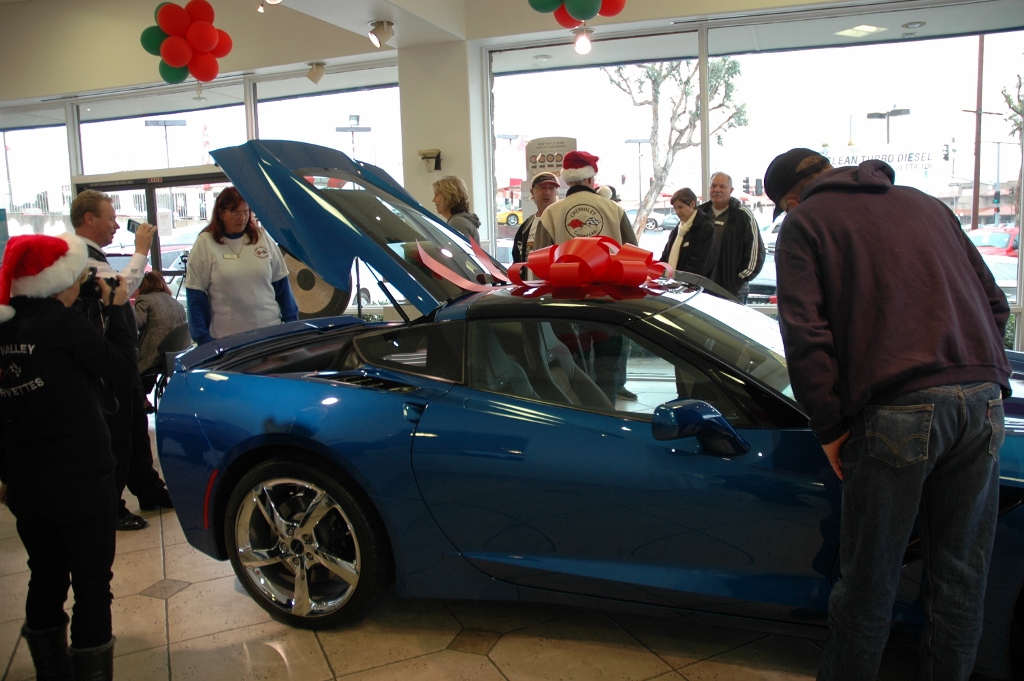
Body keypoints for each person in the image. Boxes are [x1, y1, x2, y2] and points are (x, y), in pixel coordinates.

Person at [764, 148, 1011, 681]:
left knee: (869, 582)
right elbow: (996, 303)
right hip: (984, 400)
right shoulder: (926, 205)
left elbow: (806, 334)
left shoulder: (806, 221)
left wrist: (829, 426)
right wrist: (982, 374)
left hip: (899, 409)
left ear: (789, 198)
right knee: (962, 573)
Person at [0, 233, 135, 681]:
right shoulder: (64, 325)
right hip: (82, 475)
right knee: (92, 585)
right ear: (57, 283)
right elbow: (118, 367)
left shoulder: (6, 327)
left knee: (45, 576)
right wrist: (116, 309)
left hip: (24, 480)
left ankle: (50, 672)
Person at [72, 190, 172, 531]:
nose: (117, 225)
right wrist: (141, 250)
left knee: (134, 431)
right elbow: (119, 288)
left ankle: (149, 489)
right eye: (110, 218)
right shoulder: (78, 257)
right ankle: (110, 505)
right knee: (116, 435)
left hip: (121, 358)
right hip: (106, 361)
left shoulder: (92, 254)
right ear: (89, 219)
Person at [184, 187, 299, 345]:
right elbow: (195, 297)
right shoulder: (205, 243)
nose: (242, 218)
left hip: (269, 331)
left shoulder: (261, 237)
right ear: (221, 213)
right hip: (227, 338)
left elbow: (282, 286)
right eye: (235, 213)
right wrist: (203, 339)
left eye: (246, 212)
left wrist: (291, 324)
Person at [533, 151, 638, 250]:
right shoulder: (615, 209)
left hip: (567, 270)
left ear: (568, 181)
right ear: (589, 179)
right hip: (609, 269)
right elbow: (633, 252)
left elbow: (541, 259)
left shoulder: (550, 213)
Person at [698, 172, 764, 300]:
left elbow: (756, 254)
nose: (717, 190)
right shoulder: (699, 213)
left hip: (733, 291)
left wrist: (738, 280)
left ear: (731, 190)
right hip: (702, 291)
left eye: (722, 186)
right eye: (713, 186)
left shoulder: (743, 216)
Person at [135, 271, 187, 403]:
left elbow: (136, 323)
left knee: (127, 364)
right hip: (173, 355)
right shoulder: (177, 304)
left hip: (152, 354)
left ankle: (141, 400)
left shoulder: (144, 300)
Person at [660, 187, 714, 278]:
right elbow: (665, 257)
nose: (677, 212)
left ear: (692, 204)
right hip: (673, 284)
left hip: (691, 286)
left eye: (680, 207)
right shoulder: (678, 228)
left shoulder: (705, 227)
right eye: (675, 208)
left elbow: (699, 264)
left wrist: (680, 283)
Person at [511, 171, 560, 262]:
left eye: (551, 188)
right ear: (533, 192)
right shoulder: (526, 226)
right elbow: (517, 257)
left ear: (556, 192)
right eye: (542, 188)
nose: (547, 192)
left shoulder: (563, 221)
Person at [432, 176, 482, 242]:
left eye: (436, 195)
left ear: (448, 196)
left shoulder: (457, 223)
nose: (433, 200)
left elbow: (459, 252)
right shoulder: (459, 220)